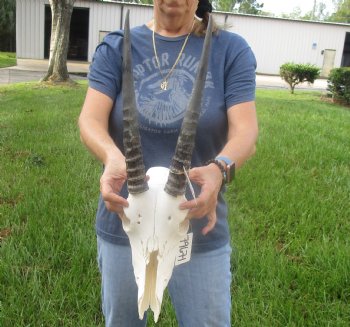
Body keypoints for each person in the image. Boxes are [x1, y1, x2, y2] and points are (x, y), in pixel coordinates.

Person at [78, 0, 258, 326]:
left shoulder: (230, 49)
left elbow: (245, 133)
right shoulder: (116, 47)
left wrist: (220, 169)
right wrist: (112, 156)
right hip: (126, 220)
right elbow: (90, 120)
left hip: (196, 223)